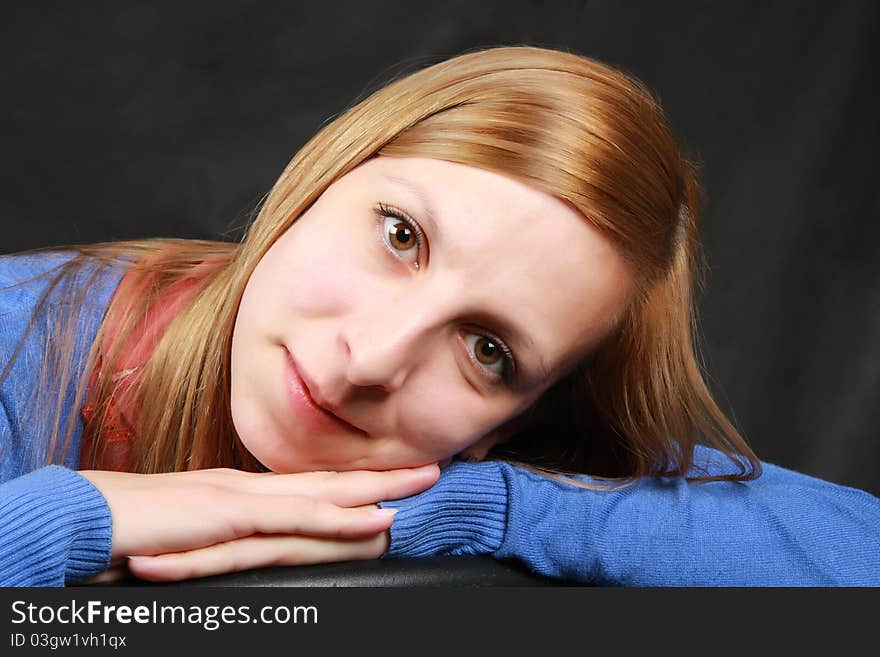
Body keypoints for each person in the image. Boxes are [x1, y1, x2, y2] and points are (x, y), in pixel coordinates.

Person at [1, 46, 877, 587]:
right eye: (400, 234)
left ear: (515, 424)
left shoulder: (483, 463)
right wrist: (67, 521)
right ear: (327, 174)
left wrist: (492, 510)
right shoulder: (18, 340)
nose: (371, 358)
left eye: (489, 350)